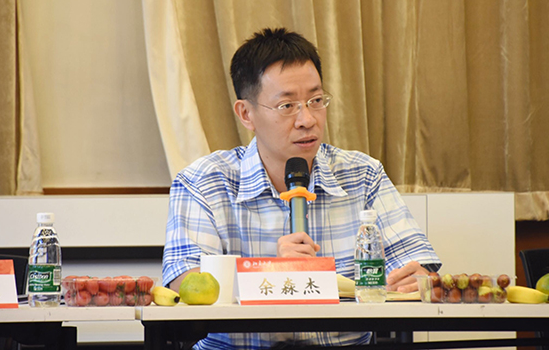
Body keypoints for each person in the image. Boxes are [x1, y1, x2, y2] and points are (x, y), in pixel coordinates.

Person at [163, 27, 441, 349]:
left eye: (316, 101)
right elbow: (185, 283)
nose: (307, 119)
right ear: (246, 114)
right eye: (287, 106)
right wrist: (271, 274)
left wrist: (416, 279)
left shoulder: (362, 175)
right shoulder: (204, 181)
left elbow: (415, 267)